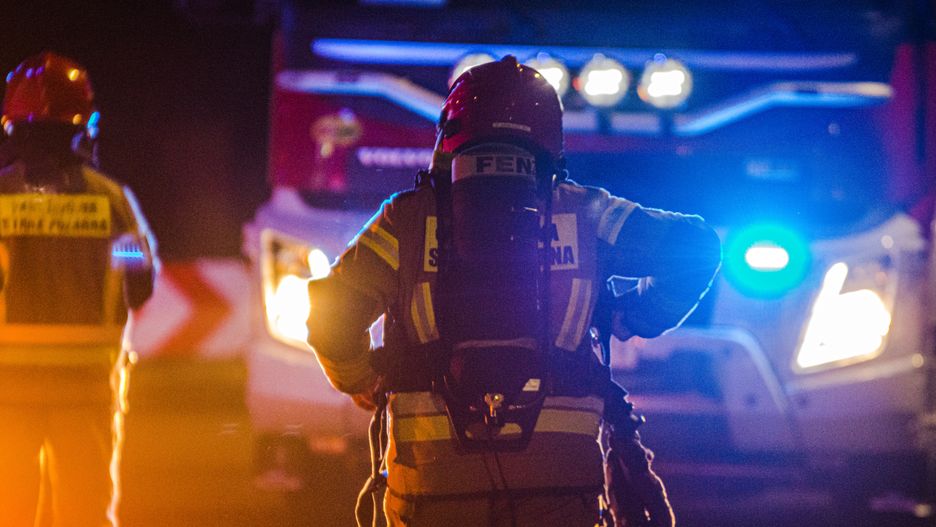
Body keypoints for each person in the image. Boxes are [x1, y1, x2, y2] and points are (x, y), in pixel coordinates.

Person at [306, 56, 721, 527]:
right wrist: (635, 316)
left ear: (450, 133)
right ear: (550, 137)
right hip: (561, 493)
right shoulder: (587, 214)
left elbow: (331, 314)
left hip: (432, 496)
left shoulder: (406, 221)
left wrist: (362, 379)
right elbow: (696, 248)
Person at [0, 51, 157, 527]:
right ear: (81, 126)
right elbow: (139, 284)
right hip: (87, 387)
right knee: (84, 513)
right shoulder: (110, 201)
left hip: (7, 391)